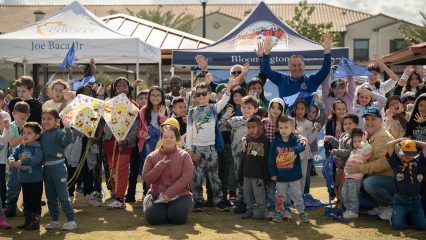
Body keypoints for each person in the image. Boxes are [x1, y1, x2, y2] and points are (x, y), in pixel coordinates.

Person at [186, 69, 242, 212]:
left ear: (209, 94)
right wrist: (189, 150)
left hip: (211, 148)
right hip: (196, 149)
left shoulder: (213, 108)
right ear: (195, 96)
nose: (202, 96)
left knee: (214, 176)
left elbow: (224, 100)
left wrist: (229, 87)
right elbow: (189, 130)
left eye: (204, 93)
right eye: (198, 94)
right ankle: (198, 201)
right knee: (196, 177)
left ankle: (219, 201)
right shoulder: (192, 112)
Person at [346, 107, 395, 220]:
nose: (369, 122)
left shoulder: (383, 137)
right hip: (378, 179)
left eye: (373, 119)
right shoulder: (368, 135)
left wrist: (360, 168)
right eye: (367, 119)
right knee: (352, 189)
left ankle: (391, 206)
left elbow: (385, 163)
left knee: (369, 183)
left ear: (381, 121)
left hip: (390, 180)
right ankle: (379, 205)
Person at [142, 125, 193, 225]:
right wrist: (158, 167)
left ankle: (171, 211)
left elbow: (186, 177)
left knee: (177, 217)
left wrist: (169, 193)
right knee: (154, 219)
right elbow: (147, 178)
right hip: (157, 195)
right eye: (165, 137)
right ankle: (162, 211)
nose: (168, 140)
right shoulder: (151, 157)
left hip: (180, 195)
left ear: (176, 138)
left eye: (171, 137)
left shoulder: (184, 155)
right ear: (161, 138)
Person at [256, 35, 332, 99]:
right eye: (293, 65)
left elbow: (325, 70)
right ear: (288, 67)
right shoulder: (281, 79)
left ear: (304, 66)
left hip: (307, 117)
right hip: (286, 117)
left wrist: (327, 51)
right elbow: (266, 71)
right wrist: (266, 53)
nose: (296, 68)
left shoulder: (312, 80)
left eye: (299, 65)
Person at [103, 77, 139, 209]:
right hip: (110, 142)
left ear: (128, 88)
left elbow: (135, 126)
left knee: (122, 169)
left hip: (125, 143)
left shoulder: (133, 105)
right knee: (112, 169)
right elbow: (104, 123)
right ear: (114, 89)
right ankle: (115, 193)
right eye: (118, 86)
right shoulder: (109, 104)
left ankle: (120, 198)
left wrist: (127, 140)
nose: (122, 88)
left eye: (124, 86)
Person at [221, 95, 259, 213]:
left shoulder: (258, 122)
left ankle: (252, 202)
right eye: (244, 107)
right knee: (239, 178)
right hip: (237, 156)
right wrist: (227, 115)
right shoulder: (234, 120)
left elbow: (260, 139)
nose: (246, 110)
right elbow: (220, 126)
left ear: (255, 109)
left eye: (249, 107)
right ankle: (242, 201)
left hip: (253, 156)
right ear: (240, 107)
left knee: (251, 179)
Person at [41, 109, 77, 230]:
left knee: (62, 196)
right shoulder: (42, 135)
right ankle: (55, 221)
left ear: (57, 121)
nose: (46, 121)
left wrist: (67, 128)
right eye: (44, 118)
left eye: (49, 118)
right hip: (46, 169)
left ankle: (71, 220)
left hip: (58, 168)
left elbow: (68, 140)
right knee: (50, 197)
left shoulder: (59, 132)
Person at [268, 115, 308, 223]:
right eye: (281, 128)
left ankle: (302, 213)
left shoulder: (295, 140)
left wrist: (294, 150)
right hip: (280, 177)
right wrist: (273, 173)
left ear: (292, 129)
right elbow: (271, 159)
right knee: (280, 196)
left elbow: (302, 146)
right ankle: (279, 213)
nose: (283, 130)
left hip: (294, 176)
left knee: (297, 196)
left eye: (286, 127)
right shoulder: (275, 142)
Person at [135, 86, 168, 202]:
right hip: (146, 145)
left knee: (161, 168)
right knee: (148, 169)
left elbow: (168, 129)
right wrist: (142, 133)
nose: (155, 97)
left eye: (158, 95)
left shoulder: (166, 110)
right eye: (153, 95)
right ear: (149, 97)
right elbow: (137, 129)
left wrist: (162, 116)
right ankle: (147, 194)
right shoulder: (143, 111)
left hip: (161, 145)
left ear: (162, 97)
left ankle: (161, 194)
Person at [8, 122, 43, 230]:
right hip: (24, 180)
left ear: (37, 136)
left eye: (29, 133)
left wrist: (22, 161)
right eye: (24, 133)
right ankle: (27, 221)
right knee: (26, 201)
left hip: (35, 180)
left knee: (35, 201)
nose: (25, 135)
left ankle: (35, 222)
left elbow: (36, 159)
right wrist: (11, 160)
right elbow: (12, 155)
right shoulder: (21, 147)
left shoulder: (38, 148)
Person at [386, 138, 426, 230]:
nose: (407, 156)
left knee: (423, 226)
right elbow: (388, 145)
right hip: (400, 201)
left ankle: (410, 218)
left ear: (414, 153)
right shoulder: (396, 163)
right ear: (400, 152)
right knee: (398, 226)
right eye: (404, 153)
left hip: (416, 201)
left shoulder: (418, 162)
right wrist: (400, 140)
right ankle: (394, 217)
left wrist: (414, 142)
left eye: (410, 153)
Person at [324, 113, 359, 209]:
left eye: (350, 123)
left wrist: (336, 152)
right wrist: (331, 139)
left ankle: (344, 204)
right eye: (345, 124)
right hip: (340, 167)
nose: (347, 126)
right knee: (338, 185)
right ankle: (339, 201)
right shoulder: (344, 135)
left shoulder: (356, 138)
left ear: (357, 125)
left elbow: (351, 151)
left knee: (344, 187)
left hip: (348, 168)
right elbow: (339, 144)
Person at [240, 116, 269, 220]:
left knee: (259, 194)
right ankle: (249, 211)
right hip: (247, 173)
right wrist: (241, 172)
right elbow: (243, 157)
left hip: (258, 175)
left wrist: (266, 174)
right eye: (249, 127)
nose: (251, 130)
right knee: (247, 194)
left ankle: (261, 212)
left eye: (253, 127)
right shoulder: (246, 140)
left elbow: (266, 159)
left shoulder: (265, 141)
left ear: (260, 127)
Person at [5, 101, 30, 217]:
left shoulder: (30, 126)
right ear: (13, 114)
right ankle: (11, 207)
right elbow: (13, 143)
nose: (22, 120)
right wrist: (22, 132)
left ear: (28, 116)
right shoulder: (11, 126)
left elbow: (32, 142)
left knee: (28, 186)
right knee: (14, 185)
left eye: (24, 118)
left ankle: (28, 207)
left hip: (27, 161)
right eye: (20, 118)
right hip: (15, 160)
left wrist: (25, 130)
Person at [342, 128, 372, 219]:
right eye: (355, 141)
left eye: (359, 141)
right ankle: (348, 209)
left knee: (352, 196)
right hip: (347, 178)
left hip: (355, 179)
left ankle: (354, 211)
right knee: (345, 194)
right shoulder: (353, 151)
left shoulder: (363, 151)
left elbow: (368, 150)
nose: (357, 143)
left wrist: (365, 142)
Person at [294, 99, 321, 193]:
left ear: (306, 110)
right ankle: (291, 197)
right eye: (297, 109)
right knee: (292, 175)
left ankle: (300, 198)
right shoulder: (290, 121)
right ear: (294, 109)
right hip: (292, 154)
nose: (299, 111)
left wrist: (317, 131)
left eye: (302, 109)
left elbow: (309, 140)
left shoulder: (309, 123)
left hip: (305, 153)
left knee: (303, 175)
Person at [0, 111, 11, 208]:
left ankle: (3, 204)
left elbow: (6, 139)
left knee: (1, 183)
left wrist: (7, 128)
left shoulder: (2, 137)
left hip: (1, 163)